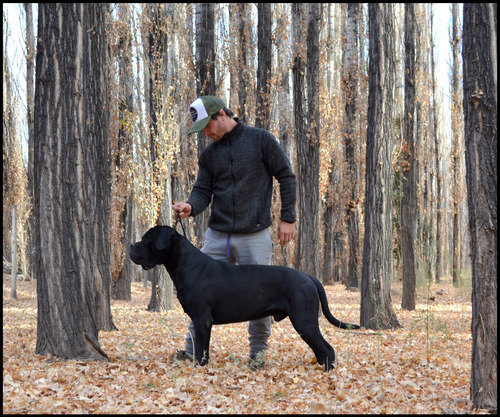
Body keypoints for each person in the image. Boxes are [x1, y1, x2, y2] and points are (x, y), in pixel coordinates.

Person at [172, 95, 297, 369]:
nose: (205, 134)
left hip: (255, 234)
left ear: (222, 116)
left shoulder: (261, 140)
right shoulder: (209, 155)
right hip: (218, 236)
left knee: (264, 296)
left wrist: (288, 217)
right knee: (197, 291)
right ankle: (192, 350)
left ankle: (258, 355)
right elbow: (203, 190)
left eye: (207, 127)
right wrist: (190, 206)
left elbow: (286, 176)